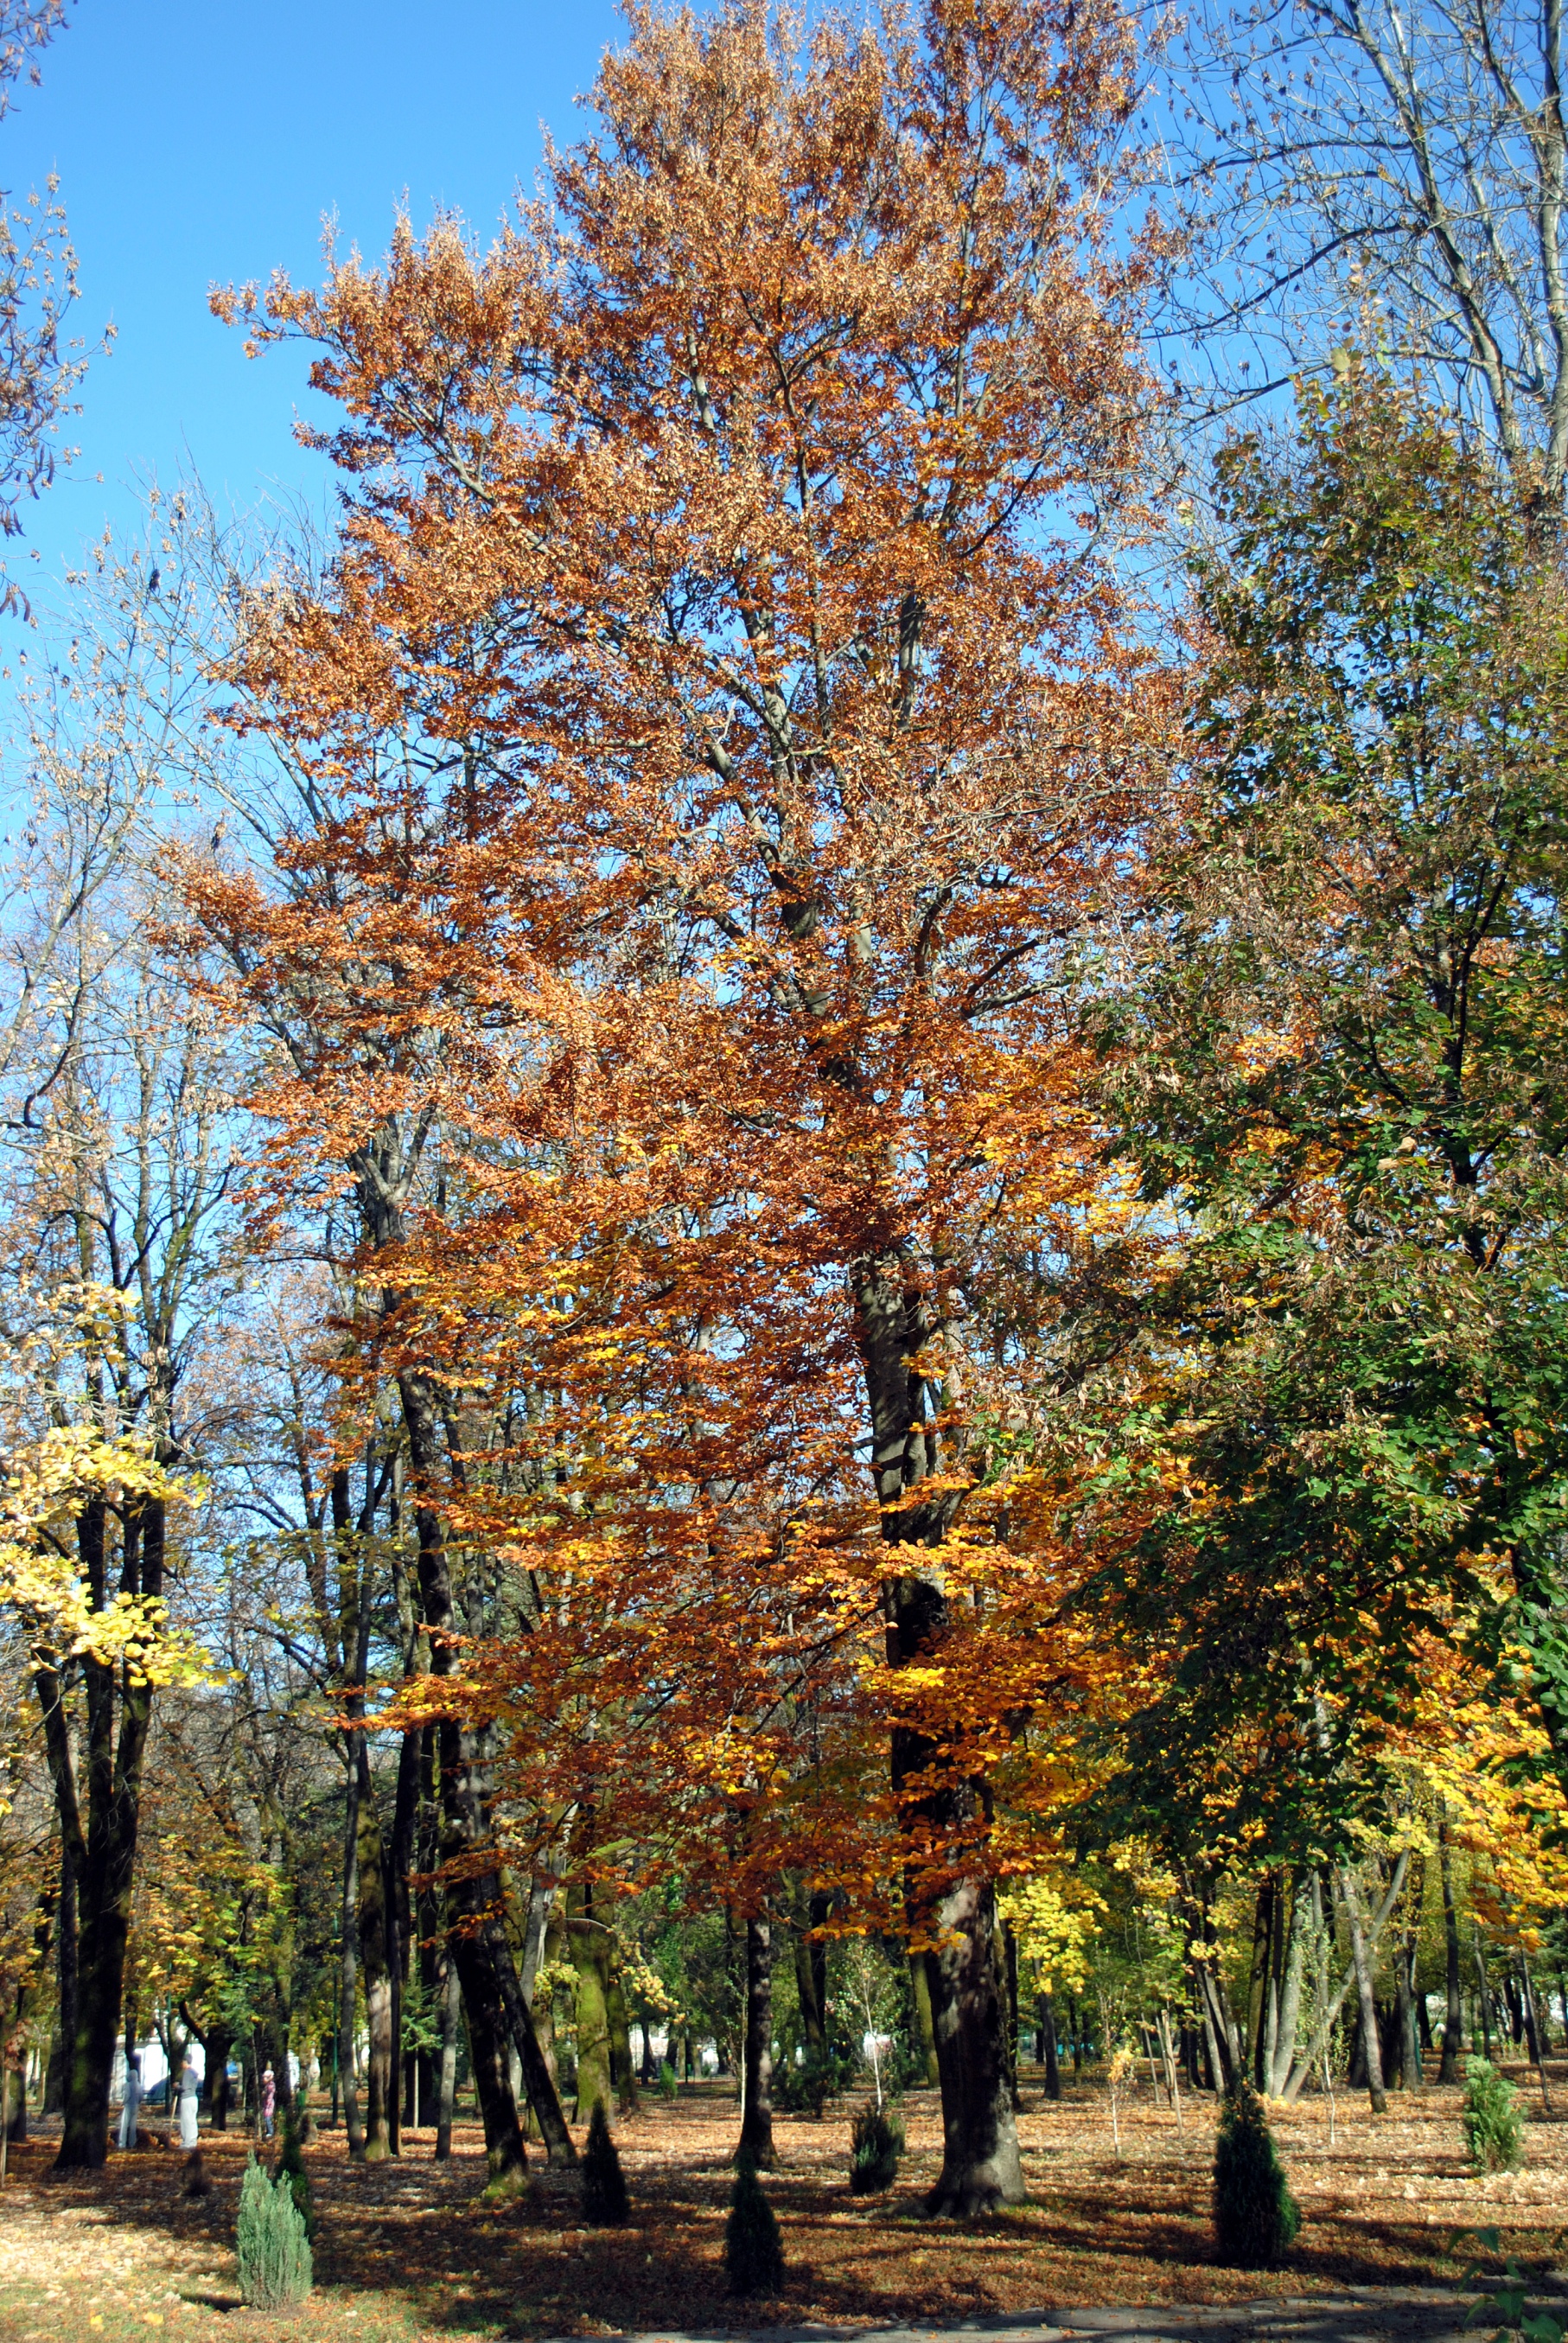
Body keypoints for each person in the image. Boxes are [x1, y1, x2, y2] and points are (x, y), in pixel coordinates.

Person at [118, 2052, 143, 2150]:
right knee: (133, 2126)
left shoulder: (128, 2085)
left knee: (124, 2126)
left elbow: (127, 2095)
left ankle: (122, 2143)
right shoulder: (139, 2085)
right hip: (136, 2107)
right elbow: (141, 2097)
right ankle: (132, 2143)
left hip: (128, 2107)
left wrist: (123, 2102)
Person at [178, 2053, 200, 2150]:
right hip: (194, 2098)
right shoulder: (194, 2073)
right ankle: (192, 2141)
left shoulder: (187, 2072)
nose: (181, 2064)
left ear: (185, 2062)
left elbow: (185, 2087)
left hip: (187, 2098)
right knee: (192, 2120)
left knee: (186, 2120)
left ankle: (186, 2143)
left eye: (182, 2062)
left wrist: (176, 2086)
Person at [260, 2061, 276, 2140]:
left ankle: (270, 2132)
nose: (263, 2079)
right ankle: (267, 2131)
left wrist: (264, 2093)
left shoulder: (271, 2085)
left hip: (269, 2105)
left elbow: (268, 2093)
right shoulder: (267, 2086)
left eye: (265, 2078)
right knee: (266, 2117)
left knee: (267, 2118)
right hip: (266, 2104)